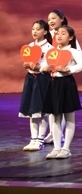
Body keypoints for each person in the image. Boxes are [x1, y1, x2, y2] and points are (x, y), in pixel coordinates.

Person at [41, 25, 82, 159]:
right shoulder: (51, 51)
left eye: (63, 33)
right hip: (53, 83)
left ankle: (66, 148)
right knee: (55, 117)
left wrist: (68, 69)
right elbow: (44, 64)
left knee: (69, 117)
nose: (59, 36)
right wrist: (44, 68)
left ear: (70, 37)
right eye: (58, 33)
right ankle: (56, 148)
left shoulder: (73, 51)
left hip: (66, 84)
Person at [19, 20, 53, 151]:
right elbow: (28, 60)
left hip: (42, 79)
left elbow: (50, 65)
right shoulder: (30, 46)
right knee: (31, 110)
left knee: (42, 111)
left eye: (38, 29)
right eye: (33, 29)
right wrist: (27, 65)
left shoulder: (49, 48)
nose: (34, 31)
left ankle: (40, 139)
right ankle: (33, 139)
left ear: (45, 31)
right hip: (31, 79)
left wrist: (39, 67)